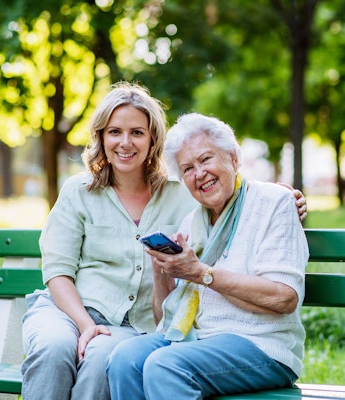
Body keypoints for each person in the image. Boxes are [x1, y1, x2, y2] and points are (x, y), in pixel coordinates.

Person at [20, 83, 307, 400]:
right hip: (70, 310)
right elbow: (57, 269)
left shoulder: (183, 192)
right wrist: (87, 324)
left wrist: (283, 195)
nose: (125, 142)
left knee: (106, 358)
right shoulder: (80, 190)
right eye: (114, 131)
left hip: (152, 328)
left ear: (152, 138)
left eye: (137, 133)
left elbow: (237, 191)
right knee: (54, 350)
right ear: (101, 137)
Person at [107, 113, 309, 399]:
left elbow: (284, 298)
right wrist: (162, 269)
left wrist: (200, 272)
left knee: (166, 365)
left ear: (234, 159)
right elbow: (165, 320)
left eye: (205, 160)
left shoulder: (274, 202)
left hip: (260, 346)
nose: (199, 173)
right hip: (197, 342)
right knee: (124, 358)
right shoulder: (192, 222)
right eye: (188, 169)